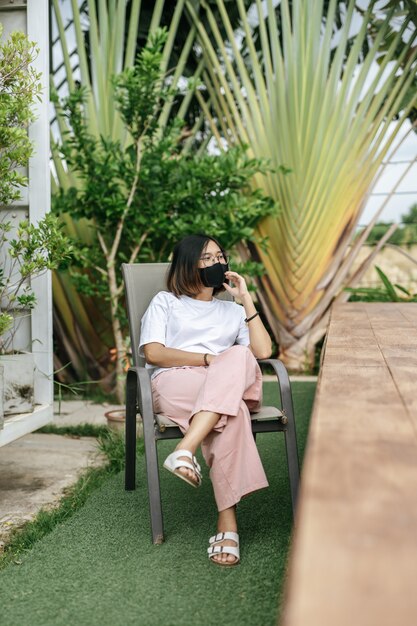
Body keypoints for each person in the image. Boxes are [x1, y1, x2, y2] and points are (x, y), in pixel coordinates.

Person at [139, 234, 272, 566]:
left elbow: (263, 352)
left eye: (220, 257)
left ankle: (185, 449)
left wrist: (246, 299)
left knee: (240, 356)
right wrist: (209, 360)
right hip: (176, 382)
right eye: (207, 258)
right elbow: (153, 352)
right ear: (188, 265)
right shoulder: (166, 302)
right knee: (233, 409)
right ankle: (227, 524)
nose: (218, 263)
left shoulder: (231, 312)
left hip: (219, 386)